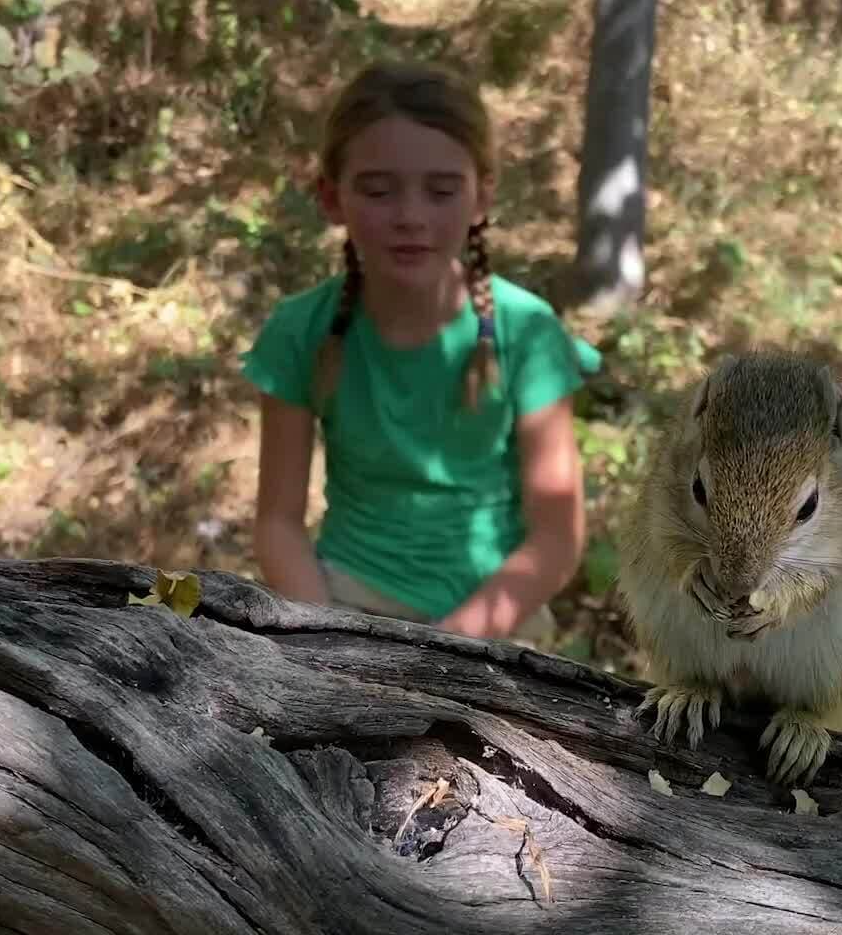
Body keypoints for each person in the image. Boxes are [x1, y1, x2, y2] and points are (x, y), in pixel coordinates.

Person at [242, 59, 600, 643]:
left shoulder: (526, 332)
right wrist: (322, 633)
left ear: (482, 196)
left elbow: (556, 537)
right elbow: (279, 522)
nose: (411, 217)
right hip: (344, 607)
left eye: (441, 191)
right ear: (331, 198)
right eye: (379, 191)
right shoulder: (299, 332)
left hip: (493, 623)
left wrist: (453, 643)